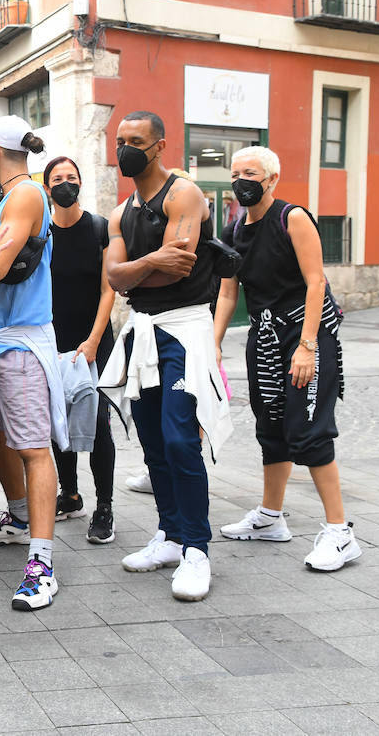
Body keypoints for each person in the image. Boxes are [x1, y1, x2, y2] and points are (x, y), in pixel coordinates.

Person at [99, 110, 232, 603]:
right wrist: (150, 261)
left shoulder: (183, 194)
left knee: (180, 439)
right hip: (143, 330)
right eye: (120, 140)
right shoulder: (120, 212)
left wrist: (135, 270)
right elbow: (114, 279)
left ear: (158, 146)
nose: (125, 148)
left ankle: (197, 548)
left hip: (183, 329)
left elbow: (181, 270)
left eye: (135, 140)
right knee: (152, 440)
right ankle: (170, 535)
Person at [213, 146, 358, 571]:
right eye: (236, 172)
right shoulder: (235, 230)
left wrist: (307, 346)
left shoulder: (291, 218)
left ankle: (340, 532)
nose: (242, 180)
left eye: (251, 173)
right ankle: (270, 518)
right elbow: (227, 292)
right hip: (265, 336)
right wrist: (213, 343)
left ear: (272, 178)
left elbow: (316, 283)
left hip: (305, 332)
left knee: (308, 431)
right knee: (270, 427)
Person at [0, 116, 66, 613]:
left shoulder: (25, 193)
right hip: (0, 340)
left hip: (21, 343)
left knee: (32, 449)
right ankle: (22, 518)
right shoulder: (8, 197)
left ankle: (41, 565)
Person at [44, 156, 118, 544]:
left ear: (81, 184)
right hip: (52, 340)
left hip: (95, 339)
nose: (65, 184)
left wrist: (92, 341)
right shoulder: (41, 233)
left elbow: (109, 290)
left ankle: (104, 506)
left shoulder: (98, 228)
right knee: (60, 419)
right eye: (57, 179)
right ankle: (70, 495)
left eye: (72, 177)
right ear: (46, 188)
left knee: (97, 420)